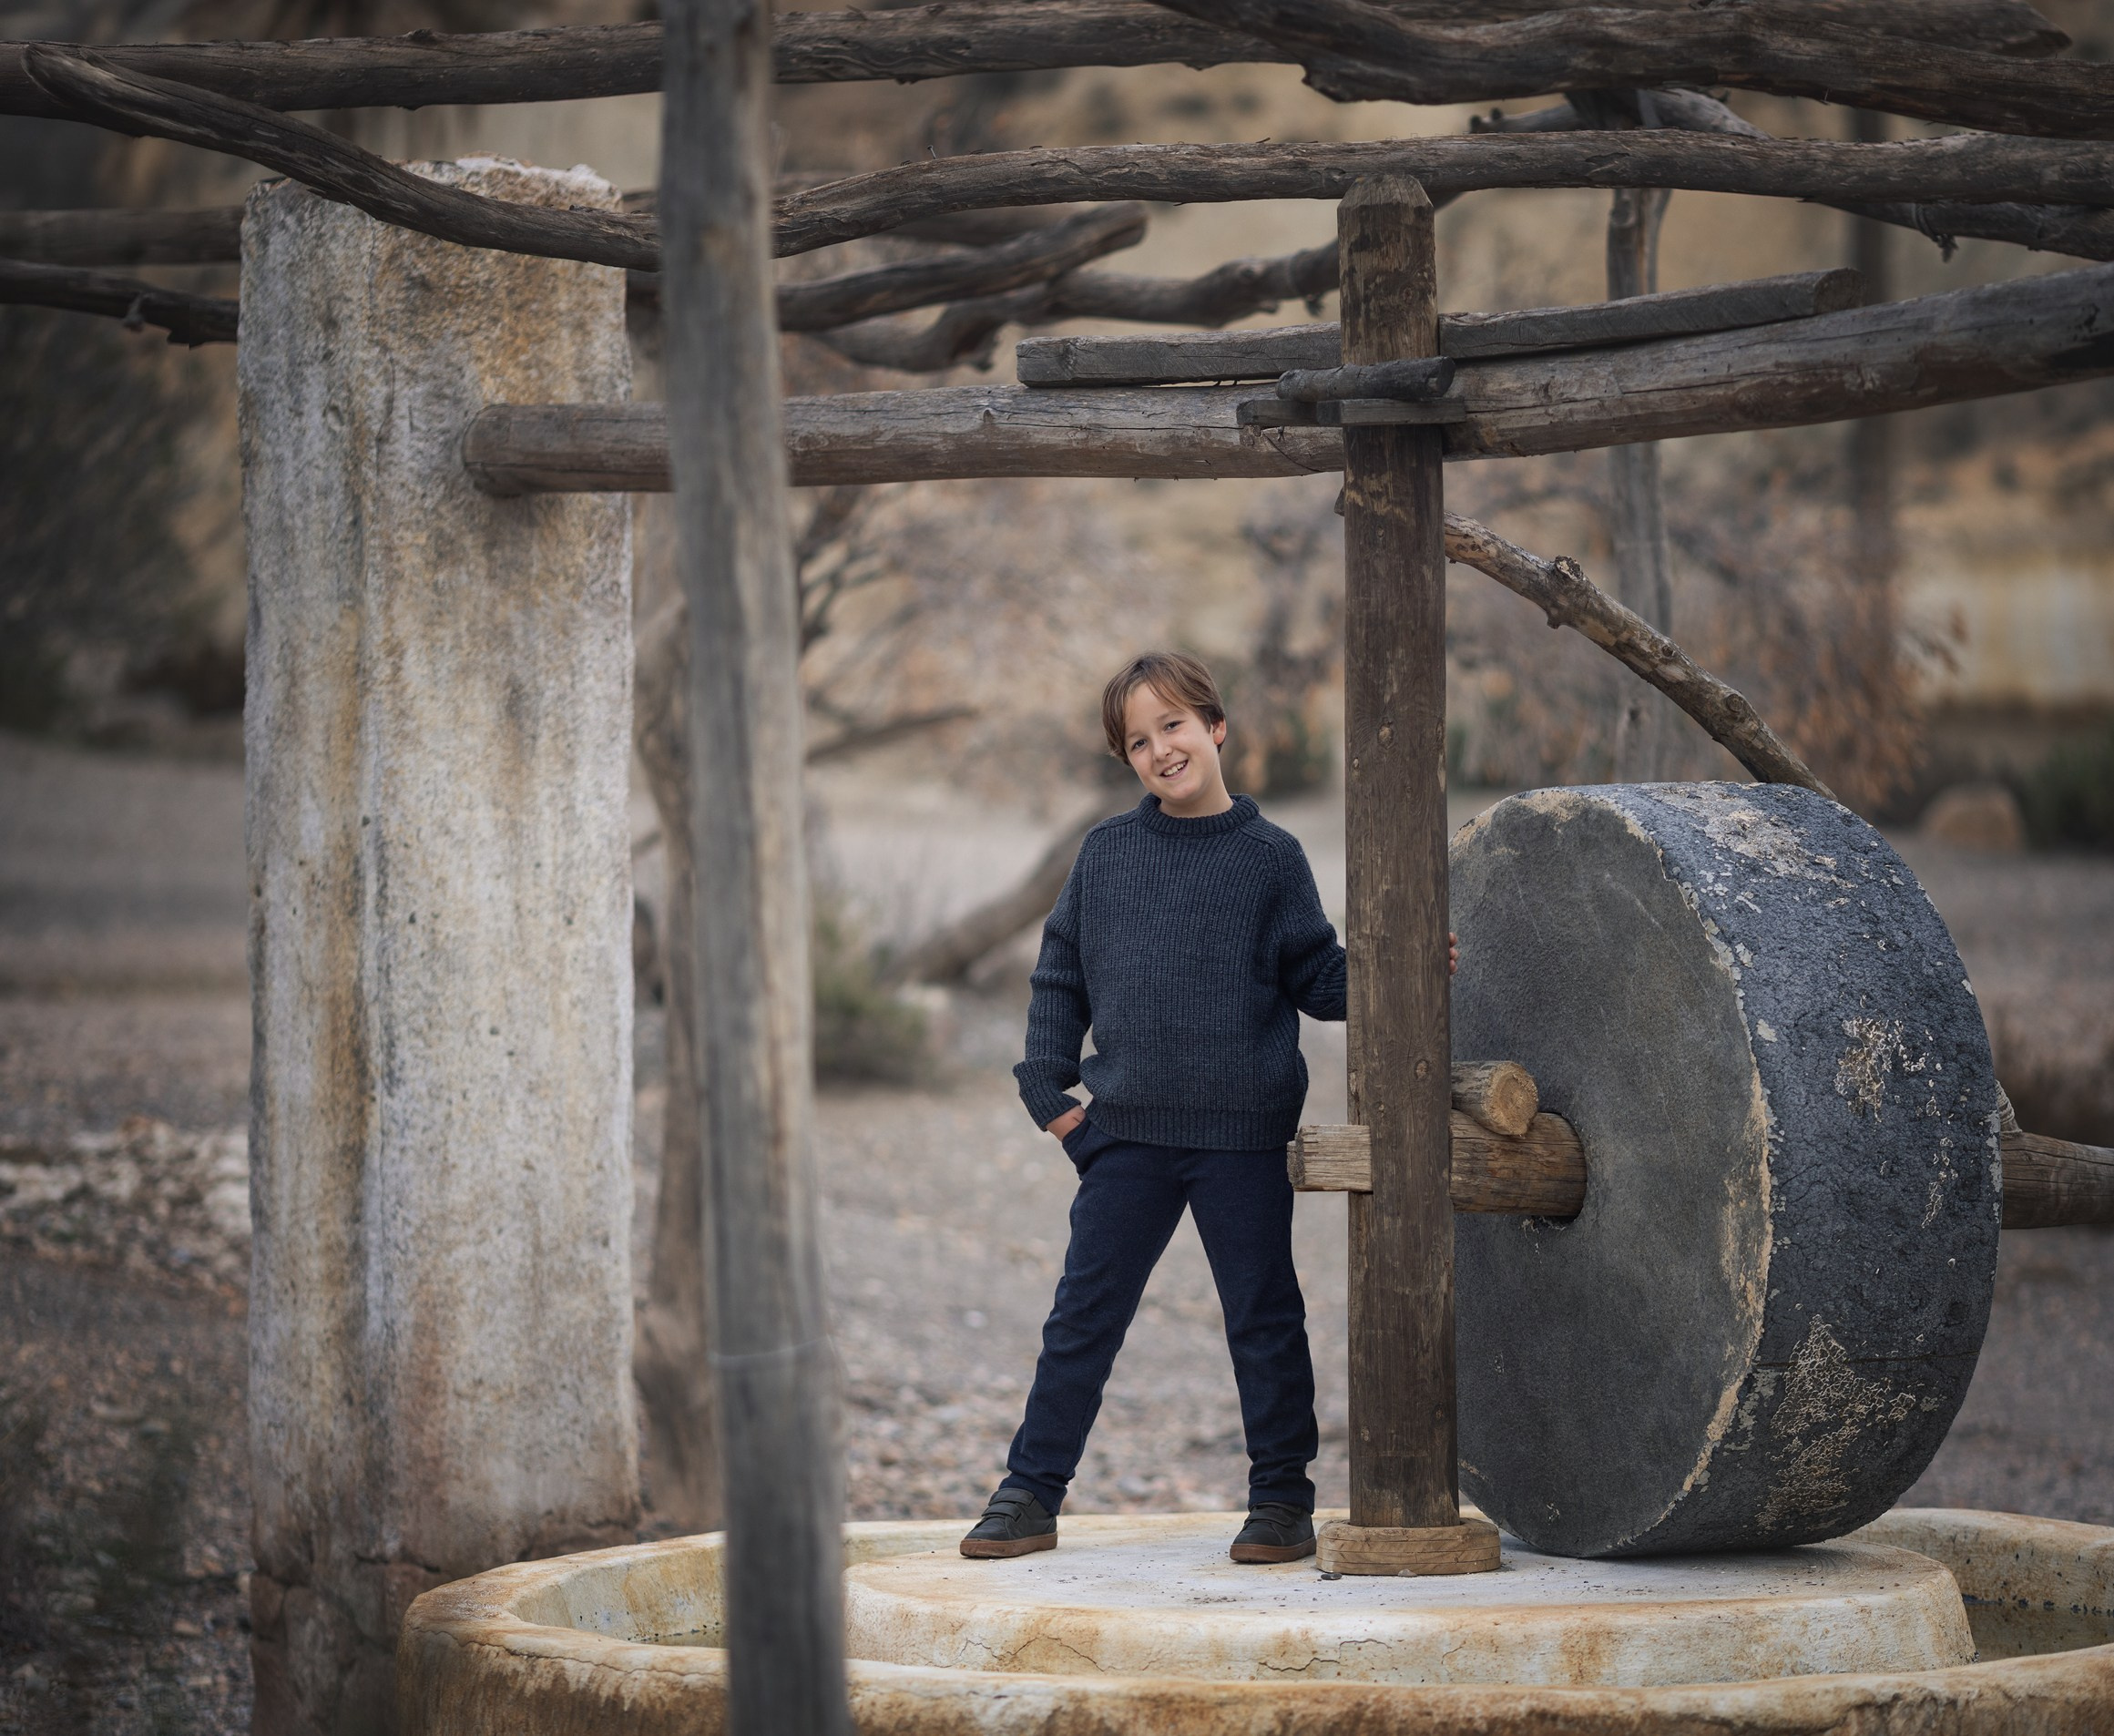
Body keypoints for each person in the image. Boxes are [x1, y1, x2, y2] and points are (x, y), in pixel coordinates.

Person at [960, 650, 1453, 1566]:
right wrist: (1049, 1095)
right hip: (1122, 1135)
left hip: (1241, 1139)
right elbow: (1059, 973)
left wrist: (1404, 963)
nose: (1160, 749)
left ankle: (1281, 1501)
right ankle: (1029, 1492)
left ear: (1215, 727)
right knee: (1082, 1319)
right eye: (1137, 742)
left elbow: (1315, 977)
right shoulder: (1106, 853)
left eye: (1173, 725)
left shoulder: (1270, 859)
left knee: (1262, 1317)